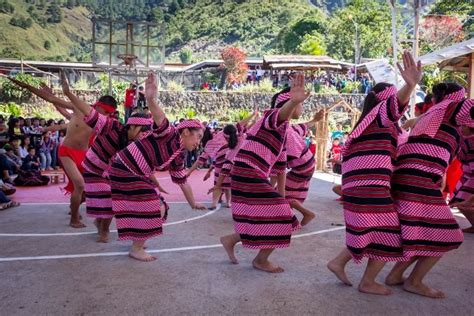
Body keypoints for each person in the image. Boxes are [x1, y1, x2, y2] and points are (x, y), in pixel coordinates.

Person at [327, 51, 423, 295]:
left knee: (371, 228)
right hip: (369, 186)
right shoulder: (379, 117)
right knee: (389, 233)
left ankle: (338, 262)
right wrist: (409, 85)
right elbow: (394, 107)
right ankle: (367, 281)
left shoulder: (369, 124)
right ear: (385, 103)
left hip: (363, 185)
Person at [387, 82, 473, 298]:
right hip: (417, 180)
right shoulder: (453, 107)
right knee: (449, 236)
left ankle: (396, 276)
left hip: (409, 178)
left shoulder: (434, 115)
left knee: (426, 234)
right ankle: (414, 281)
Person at [108, 72, 206, 262]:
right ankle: (136, 248)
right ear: (185, 132)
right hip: (125, 169)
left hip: (136, 173)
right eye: (198, 137)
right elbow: (159, 116)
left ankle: (138, 240)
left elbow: (182, 181)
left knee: (156, 206)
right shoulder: (169, 133)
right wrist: (151, 98)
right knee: (155, 206)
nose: (199, 143)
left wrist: (193, 203)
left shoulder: (179, 155)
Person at [219, 73, 309, 273]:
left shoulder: (284, 132)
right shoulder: (271, 118)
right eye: (299, 104)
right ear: (289, 103)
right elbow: (280, 114)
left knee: (265, 215)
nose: (301, 107)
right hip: (248, 172)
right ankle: (260, 260)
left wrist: (282, 197)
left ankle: (230, 240)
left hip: (249, 173)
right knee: (284, 218)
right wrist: (293, 102)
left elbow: (280, 169)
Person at [60, 74, 155, 243]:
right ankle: (98, 227)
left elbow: (142, 165)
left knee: (112, 200)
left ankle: (101, 225)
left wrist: (152, 182)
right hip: (91, 166)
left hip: (107, 170)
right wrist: (68, 93)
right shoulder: (112, 126)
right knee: (104, 197)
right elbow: (89, 111)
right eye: (142, 131)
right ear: (132, 126)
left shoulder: (135, 143)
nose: (143, 135)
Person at [6, 75, 101, 228]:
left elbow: (62, 122)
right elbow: (53, 101)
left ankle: (73, 207)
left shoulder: (101, 120)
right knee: (80, 185)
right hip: (67, 152)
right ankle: (74, 219)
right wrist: (26, 86)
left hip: (85, 155)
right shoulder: (80, 110)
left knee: (87, 190)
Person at [450, 128, 474, 233]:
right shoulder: (465, 140)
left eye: (464, 126)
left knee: (462, 202)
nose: (461, 128)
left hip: (471, 176)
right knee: (462, 202)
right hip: (467, 175)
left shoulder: (471, 142)